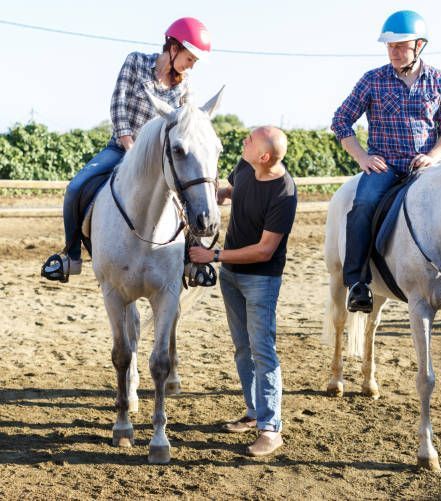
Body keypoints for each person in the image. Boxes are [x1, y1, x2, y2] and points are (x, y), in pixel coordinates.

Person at [331, 10, 441, 312]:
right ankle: (359, 284)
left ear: (419, 46)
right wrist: (362, 157)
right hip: (385, 166)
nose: (393, 52)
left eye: (400, 45)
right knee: (362, 205)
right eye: (389, 46)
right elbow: (341, 121)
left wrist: (432, 157)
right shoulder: (372, 80)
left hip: (427, 167)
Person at [41, 17, 211, 282]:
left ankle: (191, 260)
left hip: (161, 160)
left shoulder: (185, 86)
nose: (191, 66)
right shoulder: (135, 62)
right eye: (190, 58)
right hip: (122, 149)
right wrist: (129, 146)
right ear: (174, 47)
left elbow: (186, 125)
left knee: (186, 192)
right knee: (76, 187)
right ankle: (70, 256)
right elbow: (118, 105)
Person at [189, 126, 297, 457]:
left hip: (260, 279)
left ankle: (271, 429)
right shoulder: (246, 166)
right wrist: (217, 194)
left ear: (264, 156)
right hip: (231, 277)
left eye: (250, 140)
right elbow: (235, 189)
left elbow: (265, 251)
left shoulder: (284, 193)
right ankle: (253, 412)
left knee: (263, 349)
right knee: (242, 347)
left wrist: (214, 256)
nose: (243, 142)